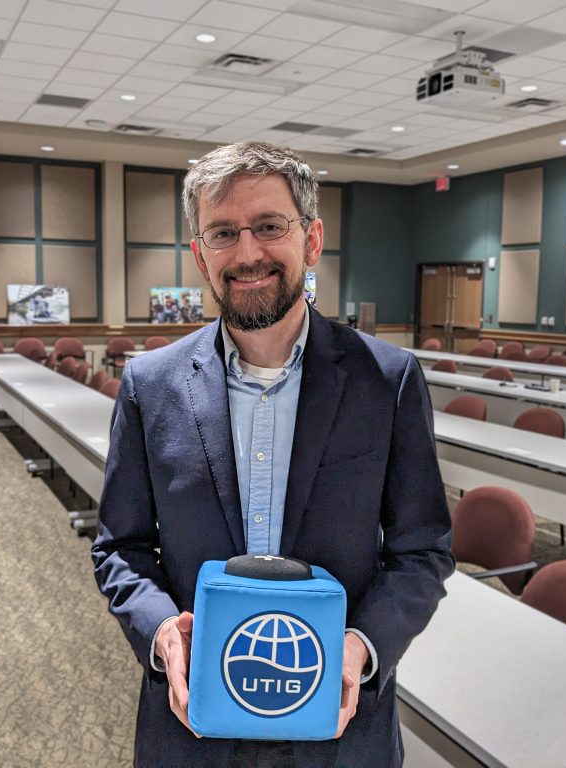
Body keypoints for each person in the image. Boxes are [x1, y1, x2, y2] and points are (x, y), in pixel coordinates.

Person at [92, 143, 453, 768]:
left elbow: (422, 549)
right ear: (201, 254)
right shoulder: (151, 384)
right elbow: (118, 549)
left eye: (269, 226)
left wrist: (361, 648)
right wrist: (162, 635)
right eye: (223, 232)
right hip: (193, 728)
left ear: (311, 241)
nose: (248, 252)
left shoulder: (386, 381)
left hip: (342, 730)